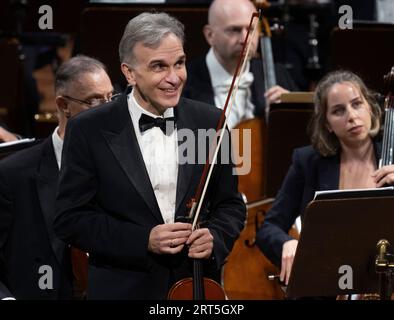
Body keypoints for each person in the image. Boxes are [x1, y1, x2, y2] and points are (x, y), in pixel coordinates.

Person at [53, 12, 245, 300]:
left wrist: (215, 237)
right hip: (123, 289)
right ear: (129, 73)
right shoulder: (89, 129)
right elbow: (70, 219)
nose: (173, 78)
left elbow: (230, 205)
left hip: (194, 288)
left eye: (179, 63)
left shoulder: (210, 121)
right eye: (158, 67)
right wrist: (143, 240)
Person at [256, 70, 394, 286]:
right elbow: (268, 228)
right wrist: (287, 243)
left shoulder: (392, 160)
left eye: (357, 104)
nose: (351, 116)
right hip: (327, 284)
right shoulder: (308, 162)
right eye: (338, 111)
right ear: (327, 123)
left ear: (370, 106)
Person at [0, 55, 113, 300]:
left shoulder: (125, 166)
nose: (108, 110)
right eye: (95, 101)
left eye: (110, 98)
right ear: (63, 106)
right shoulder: (12, 175)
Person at [182, 0, 297, 129]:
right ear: (210, 35)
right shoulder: (184, 81)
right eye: (235, 30)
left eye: (251, 29)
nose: (245, 38)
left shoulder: (279, 75)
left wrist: (290, 113)